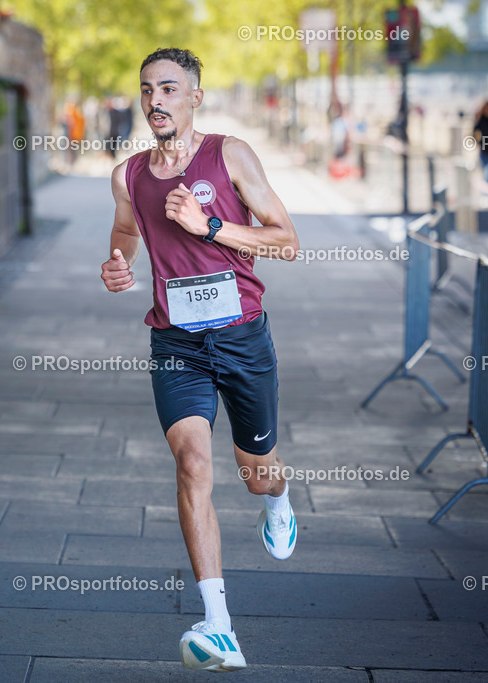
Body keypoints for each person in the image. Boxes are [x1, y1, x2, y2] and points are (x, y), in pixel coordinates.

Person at [100, 47, 299, 673]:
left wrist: (209, 226)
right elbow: (127, 229)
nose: (155, 99)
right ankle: (219, 625)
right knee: (191, 464)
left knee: (256, 470)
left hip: (242, 336)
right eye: (146, 89)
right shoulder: (128, 174)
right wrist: (118, 263)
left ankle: (276, 499)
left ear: (194, 98)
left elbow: (286, 241)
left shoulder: (229, 154)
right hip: (176, 342)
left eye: (168, 88)